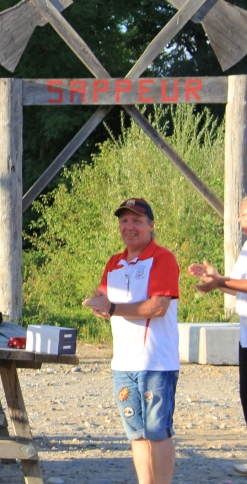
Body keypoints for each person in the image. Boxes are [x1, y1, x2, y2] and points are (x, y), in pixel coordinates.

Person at [82, 198, 180, 484]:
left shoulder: (162, 258)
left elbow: (158, 307)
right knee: (136, 434)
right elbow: (104, 299)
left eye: (137, 221)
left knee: (157, 431)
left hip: (156, 363)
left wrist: (112, 308)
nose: (129, 226)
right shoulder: (115, 262)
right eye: (124, 221)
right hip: (123, 363)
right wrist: (97, 304)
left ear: (151, 226)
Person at [187, 195, 247, 476]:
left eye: (244, 214)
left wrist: (221, 281)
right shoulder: (246, 247)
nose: (239, 219)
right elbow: (237, 287)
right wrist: (217, 278)